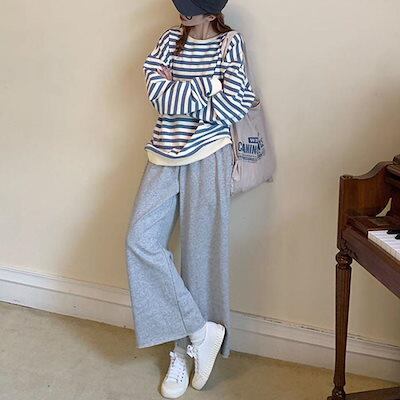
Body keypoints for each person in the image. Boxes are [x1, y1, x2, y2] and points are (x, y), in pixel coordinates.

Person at [125, 0, 256, 397]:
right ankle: (201, 332)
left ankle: (183, 353)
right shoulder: (169, 39)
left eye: (193, 8)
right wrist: (208, 86)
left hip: (210, 156)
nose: (183, 12)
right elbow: (159, 99)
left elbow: (236, 104)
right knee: (140, 241)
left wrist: (179, 89)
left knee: (201, 258)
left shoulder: (230, 44)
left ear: (212, 12)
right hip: (163, 154)